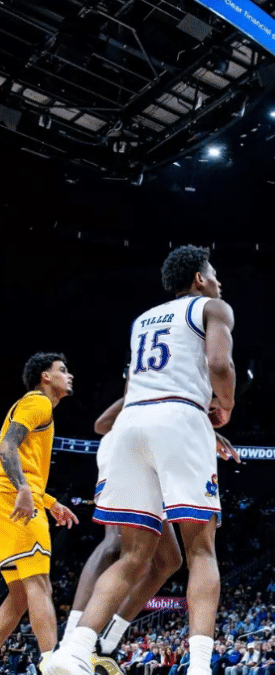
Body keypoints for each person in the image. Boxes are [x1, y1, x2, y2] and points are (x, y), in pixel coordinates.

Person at [48, 245, 237, 675]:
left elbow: (135, 388)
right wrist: (224, 406)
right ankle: (200, 667)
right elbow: (219, 363)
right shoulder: (214, 307)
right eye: (214, 274)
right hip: (178, 420)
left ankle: (74, 650)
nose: (219, 281)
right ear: (199, 280)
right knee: (201, 550)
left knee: (133, 554)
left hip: (129, 425)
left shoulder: (142, 321)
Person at [61, 397, 239, 669]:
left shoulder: (153, 377)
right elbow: (103, 424)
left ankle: (104, 644)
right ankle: (70, 643)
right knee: (121, 544)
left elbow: (107, 422)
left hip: (139, 443)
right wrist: (204, 420)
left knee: (168, 560)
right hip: (146, 440)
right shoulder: (164, 378)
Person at [0, 352, 77, 666]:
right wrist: (23, 490)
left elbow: (25, 462)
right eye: (62, 369)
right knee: (39, 584)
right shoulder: (38, 402)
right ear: (45, 376)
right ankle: (52, 663)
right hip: (15, 502)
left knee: (19, 598)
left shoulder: (35, 406)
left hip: (10, 501)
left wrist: (49, 501)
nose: (68, 375)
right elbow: (7, 445)